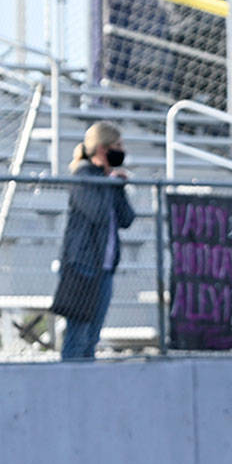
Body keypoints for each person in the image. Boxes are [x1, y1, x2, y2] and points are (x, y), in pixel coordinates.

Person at [51, 122, 136, 361]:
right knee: (77, 336)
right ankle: (68, 387)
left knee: (92, 338)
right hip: (82, 267)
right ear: (102, 148)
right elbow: (97, 212)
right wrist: (109, 183)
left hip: (105, 269)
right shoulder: (83, 175)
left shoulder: (106, 180)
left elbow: (126, 218)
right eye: (117, 146)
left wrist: (118, 186)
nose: (121, 150)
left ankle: (84, 390)